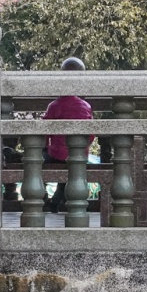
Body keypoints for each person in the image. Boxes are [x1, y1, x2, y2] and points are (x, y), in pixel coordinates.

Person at [43, 57, 94, 209]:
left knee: (36, 164)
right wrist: (83, 147)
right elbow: (91, 134)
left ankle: (47, 200)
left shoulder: (55, 106)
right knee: (70, 169)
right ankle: (59, 201)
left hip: (57, 155)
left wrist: (46, 147)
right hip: (79, 154)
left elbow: (45, 131)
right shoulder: (86, 106)